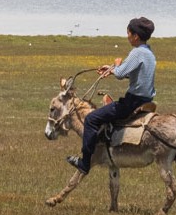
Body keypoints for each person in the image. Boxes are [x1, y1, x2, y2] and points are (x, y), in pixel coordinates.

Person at [67, 16, 157, 175]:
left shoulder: (136, 52)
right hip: (146, 100)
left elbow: (121, 74)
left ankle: (85, 162)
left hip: (132, 102)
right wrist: (110, 68)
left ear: (135, 36)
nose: (127, 36)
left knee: (91, 119)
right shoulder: (149, 53)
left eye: (128, 33)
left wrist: (116, 66)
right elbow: (135, 74)